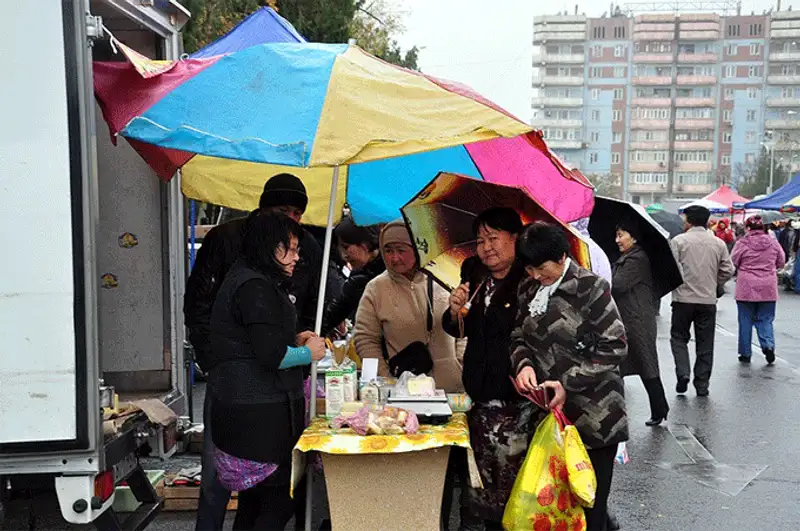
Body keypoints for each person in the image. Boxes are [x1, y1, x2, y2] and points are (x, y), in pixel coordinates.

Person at [184, 173, 322, 531]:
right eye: (289, 250)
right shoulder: (255, 285)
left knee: (254, 499)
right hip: (255, 409)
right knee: (274, 501)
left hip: (253, 404)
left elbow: (264, 335)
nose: (296, 257)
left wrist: (294, 337)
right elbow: (270, 355)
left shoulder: (256, 279)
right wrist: (310, 353)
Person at [510, 223, 628, 531]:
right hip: (549, 419)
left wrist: (567, 382)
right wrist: (524, 365)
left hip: (596, 417)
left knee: (590, 506)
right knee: (552, 507)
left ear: (563, 256)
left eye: (541, 267)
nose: (535, 275)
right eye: (530, 268)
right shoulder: (528, 289)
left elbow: (615, 346)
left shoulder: (591, 288)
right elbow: (517, 336)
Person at [441, 207, 529, 529]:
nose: (486, 247)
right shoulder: (473, 273)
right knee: (478, 491)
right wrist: (455, 311)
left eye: (494, 238)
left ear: (515, 239)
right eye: (480, 240)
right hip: (478, 397)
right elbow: (457, 328)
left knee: (513, 494)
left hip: (516, 402)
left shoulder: (528, 281)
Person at [354, 220, 464, 392]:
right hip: (404, 392)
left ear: (418, 248)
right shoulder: (376, 289)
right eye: (388, 251)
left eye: (401, 250)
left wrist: (460, 365)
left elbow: (465, 327)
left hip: (452, 391)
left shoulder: (446, 278)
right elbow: (365, 339)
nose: (394, 258)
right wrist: (386, 380)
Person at [669, 205, 735, 397]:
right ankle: (702, 384)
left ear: (689, 221)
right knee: (705, 343)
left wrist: (680, 284)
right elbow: (728, 270)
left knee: (678, 338)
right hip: (707, 300)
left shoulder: (679, 241)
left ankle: (683, 373)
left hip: (682, 300)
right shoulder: (718, 243)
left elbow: (673, 269)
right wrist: (716, 285)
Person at [612, 220, 669, 426]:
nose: (617, 240)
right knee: (620, 366)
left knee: (646, 364)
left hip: (637, 321)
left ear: (633, 237)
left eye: (621, 235)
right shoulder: (626, 257)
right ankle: (619, 412)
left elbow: (617, 285)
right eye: (617, 235)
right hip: (628, 318)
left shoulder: (637, 259)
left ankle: (660, 408)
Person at [730, 215, 786, 365]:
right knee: (766, 319)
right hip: (768, 286)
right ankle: (768, 345)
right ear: (763, 228)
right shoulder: (773, 242)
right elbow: (781, 261)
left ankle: (745, 353)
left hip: (746, 287)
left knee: (745, 320)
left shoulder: (742, 243)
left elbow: (733, 261)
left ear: (748, 228)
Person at [321, 217, 385, 336]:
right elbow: (338, 310)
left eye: (346, 247)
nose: (343, 255)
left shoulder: (391, 270)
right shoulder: (358, 277)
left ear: (364, 245)